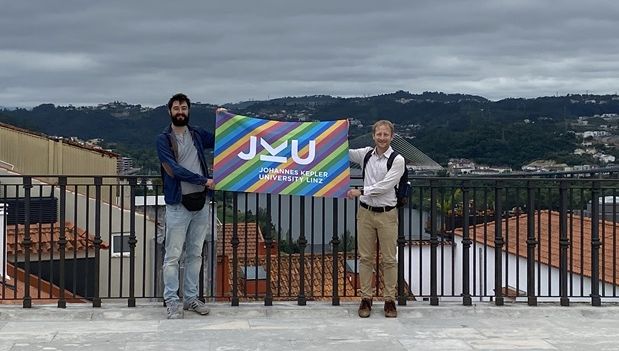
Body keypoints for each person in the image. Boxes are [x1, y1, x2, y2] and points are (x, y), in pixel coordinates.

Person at [156, 93, 216, 319]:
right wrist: (204, 180)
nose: (180, 112)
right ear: (169, 111)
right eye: (176, 108)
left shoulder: (197, 134)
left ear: (188, 110)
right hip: (178, 205)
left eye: (184, 108)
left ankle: (191, 299)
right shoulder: (163, 139)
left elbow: (225, 139)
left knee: (195, 254)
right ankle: (172, 301)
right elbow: (173, 170)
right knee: (172, 256)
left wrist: (224, 118)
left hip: (201, 203)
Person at [347, 120, 405, 318]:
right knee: (365, 259)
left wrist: (361, 191)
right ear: (373, 136)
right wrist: (340, 130)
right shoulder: (365, 154)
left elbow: (386, 186)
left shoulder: (398, 160)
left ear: (392, 136)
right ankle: (366, 299)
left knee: (389, 259)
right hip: (365, 212)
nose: (382, 138)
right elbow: (340, 151)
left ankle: (389, 300)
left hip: (387, 213)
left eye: (385, 135)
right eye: (378, 134)